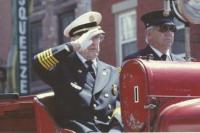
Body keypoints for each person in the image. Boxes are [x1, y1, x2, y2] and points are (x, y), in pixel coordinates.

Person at [32, 11, 123, 132]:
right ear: (76, 40)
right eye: (88, 38)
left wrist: (116, 129)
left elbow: (123, 105)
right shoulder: (62, 68)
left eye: (97, 37)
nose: (94, 43)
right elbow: (38, 63)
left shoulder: (113, 72)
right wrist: (75, 45)